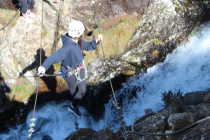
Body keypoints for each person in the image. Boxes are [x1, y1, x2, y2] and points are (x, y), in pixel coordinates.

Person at [37, 19, 103, 116]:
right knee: (74, 89)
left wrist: (96, 41)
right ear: (77, 33)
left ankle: (77, 100)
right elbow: (53, 57)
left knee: (82, 89)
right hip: (69, 72)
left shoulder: (78, 40)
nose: (82, 34)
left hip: (79, 68)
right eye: (81, 32)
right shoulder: (67, 48)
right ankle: (74, 105)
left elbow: (88, 46)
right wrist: (43, 67)